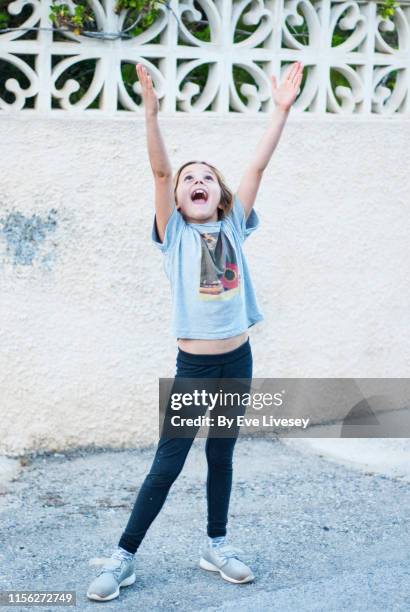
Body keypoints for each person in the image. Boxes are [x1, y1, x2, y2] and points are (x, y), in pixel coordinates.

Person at [86, 60, 303, 602]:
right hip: (196, 368)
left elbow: (256, 168)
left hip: (238, 361)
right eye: (189, 179)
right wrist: (152, 113)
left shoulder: (233, 224)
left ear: (221, 196)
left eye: (207, 176)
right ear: (177, 200)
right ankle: (124, 556)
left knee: (221, 455)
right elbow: (159, 171)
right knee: (169, 461)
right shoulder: (174, 235)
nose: (197, 181)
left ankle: (217, 544)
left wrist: (279, 112)